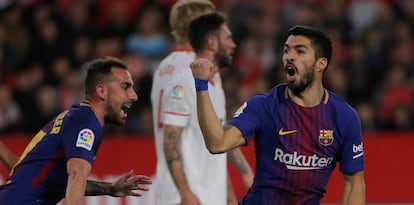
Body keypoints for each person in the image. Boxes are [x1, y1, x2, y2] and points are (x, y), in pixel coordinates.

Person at [190, 25, 366, 205]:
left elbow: (354, 183)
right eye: (286, 51)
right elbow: (217, 143)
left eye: (300, 51)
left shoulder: (344, 117)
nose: (289, 56)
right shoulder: (263, 106)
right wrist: (201, 86)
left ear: (321, 64)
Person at [0, 57, 152, 205]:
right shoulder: (87, 123)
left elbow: (56, 179)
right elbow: (76, 173)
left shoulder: (75, 117)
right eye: (125, 87)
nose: (134, 95)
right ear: (102, 91)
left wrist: (109, 188)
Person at [150, 1, 253, 205]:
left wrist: (228, 190)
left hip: (177, 185)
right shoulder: (197, 70)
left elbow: (212, 134)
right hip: (190, 189)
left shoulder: (163, 67)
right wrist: (186, 192)